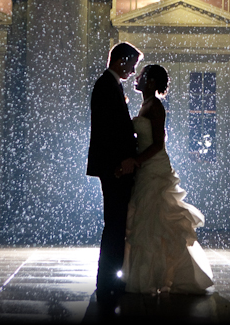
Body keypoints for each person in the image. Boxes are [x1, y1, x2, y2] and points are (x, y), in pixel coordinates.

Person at [123, 64, 214, 295]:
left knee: (155, 220)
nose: (138, 78)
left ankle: (158, 275)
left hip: (154, 167)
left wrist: (136, 160)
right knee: (148, 220)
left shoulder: (155, 107)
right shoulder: (145, 104)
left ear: (151, 82)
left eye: (142, 76)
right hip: (146, 167)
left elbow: (157, 144)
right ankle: (148, 273)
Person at [87, 42, 143, 298]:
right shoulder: (106, 86)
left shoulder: (109, 85)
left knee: (116, 224)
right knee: (115, 224)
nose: (133, 71)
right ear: (121, 60)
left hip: (114, 165)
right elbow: (108, 131)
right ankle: (109, 280)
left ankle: (109, 278)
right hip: (115, 167)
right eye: (132, 65)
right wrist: (120, 163)